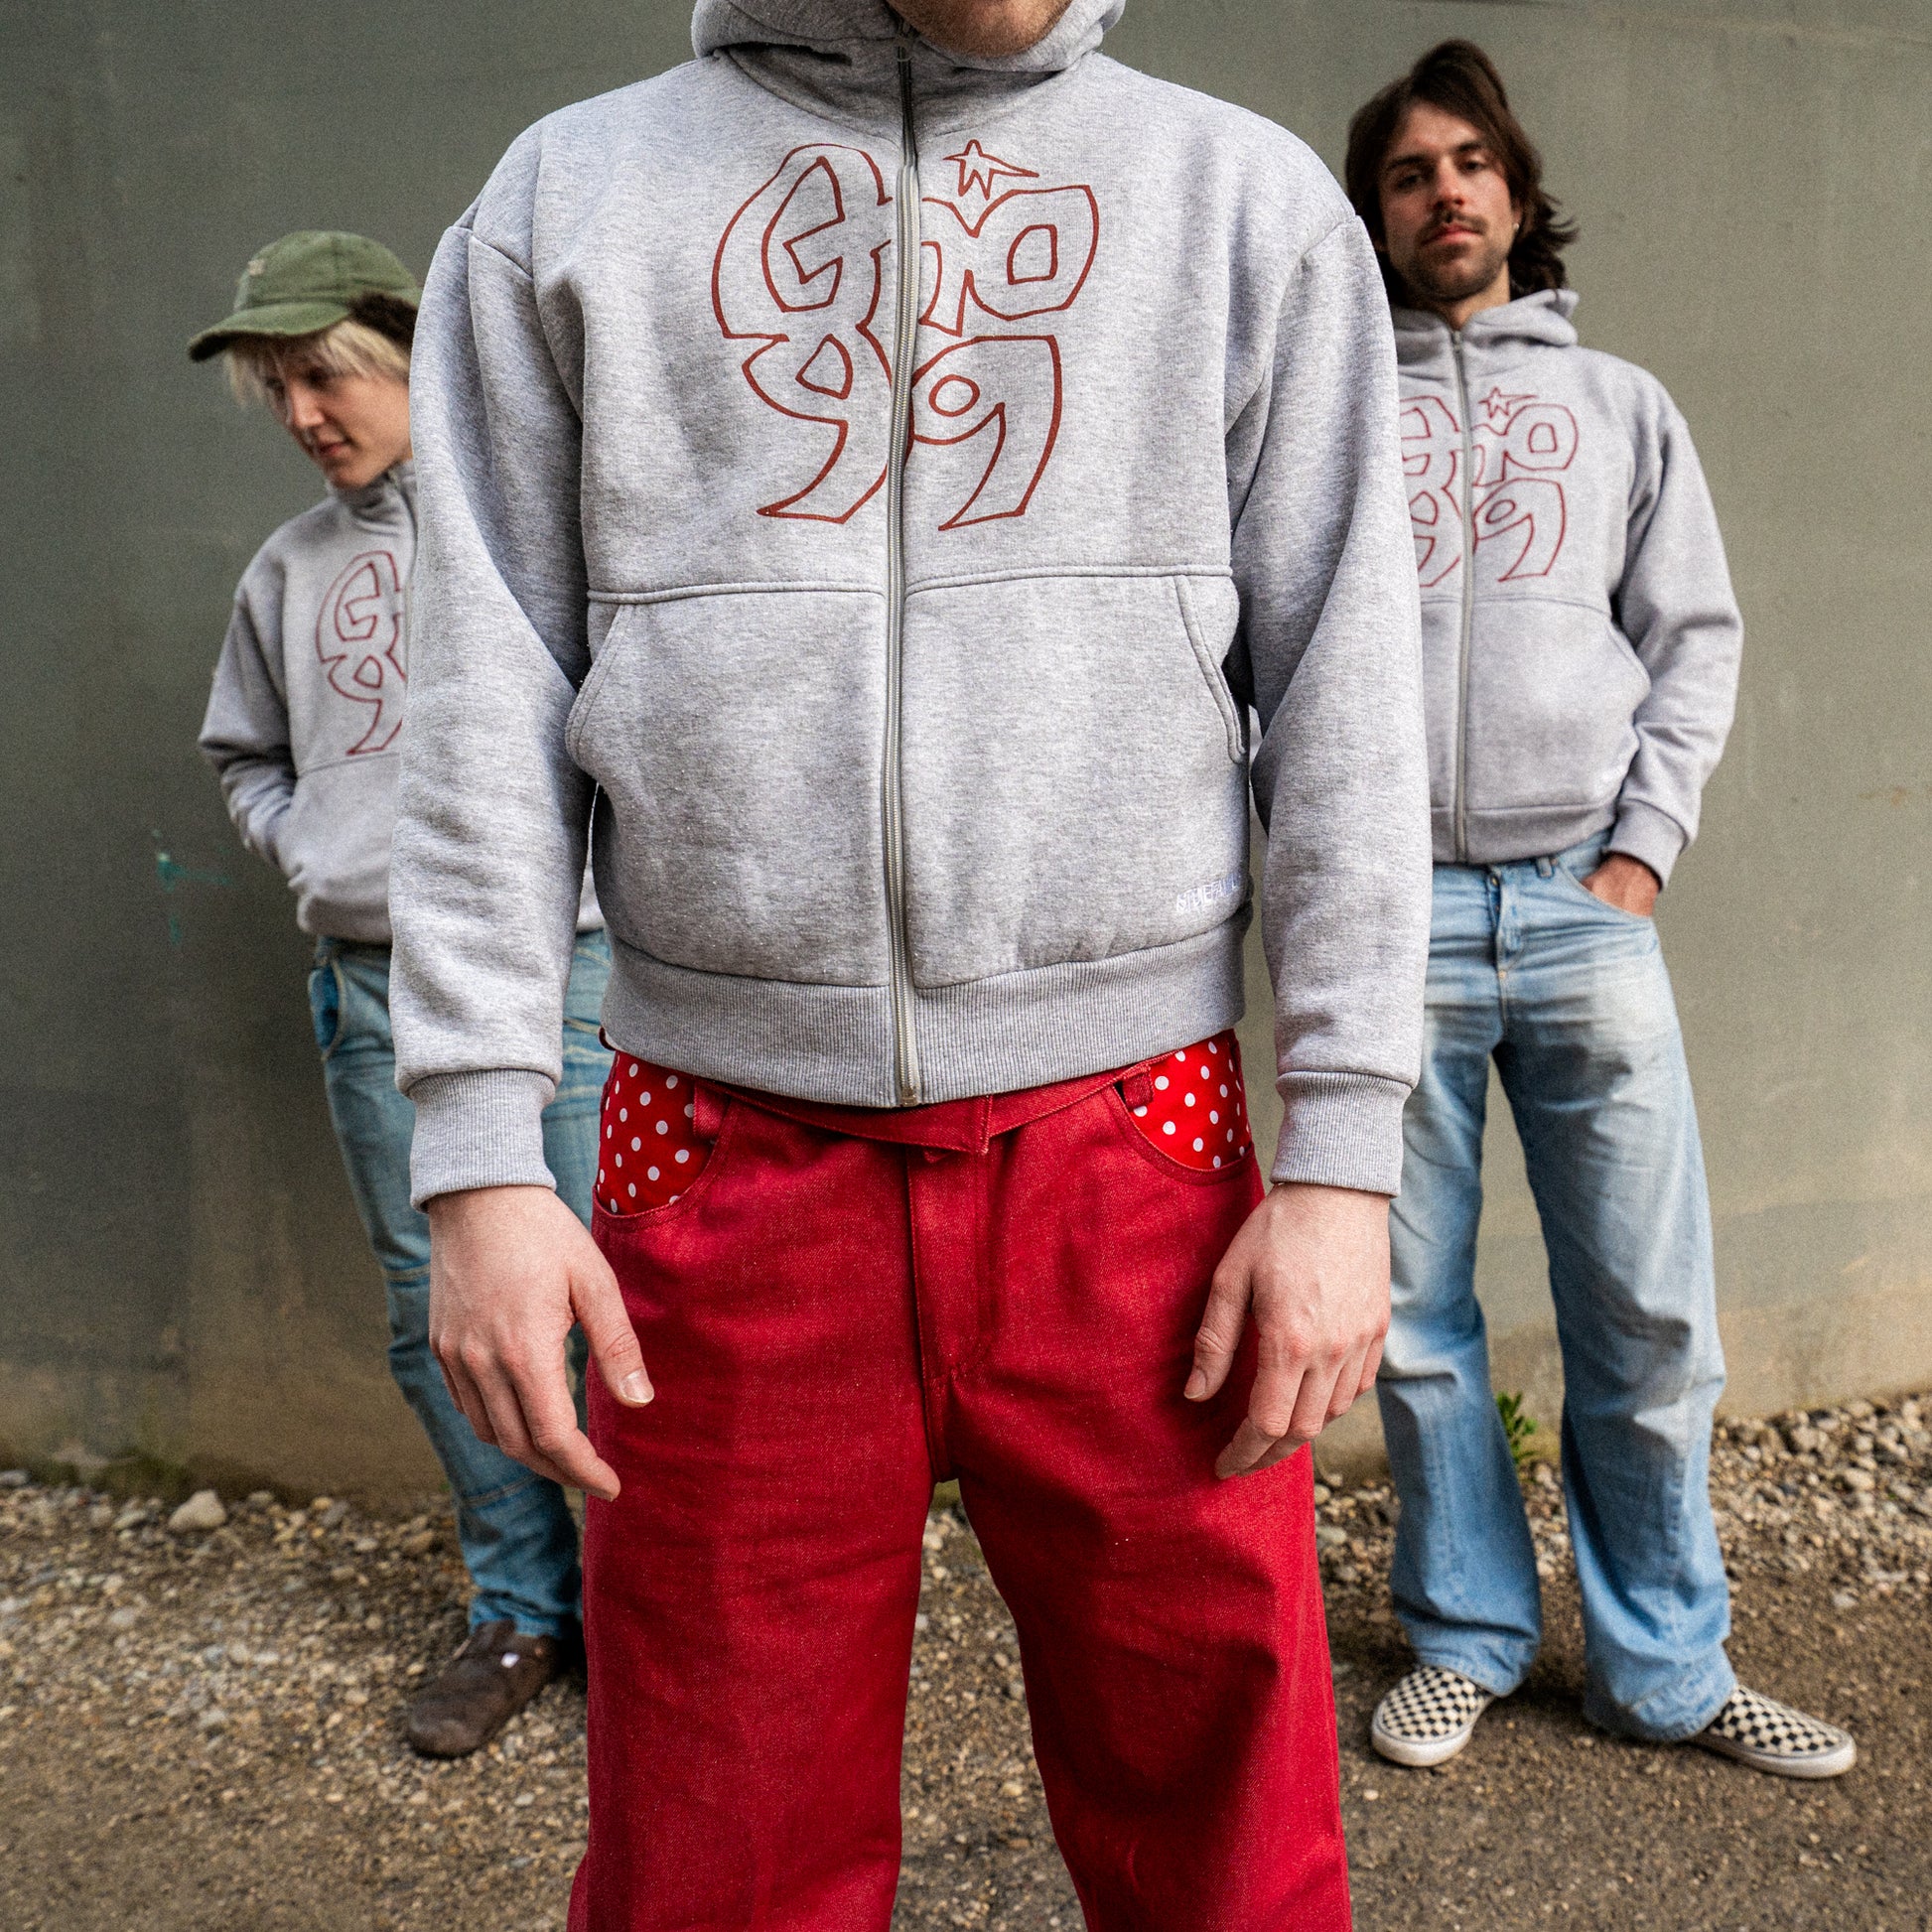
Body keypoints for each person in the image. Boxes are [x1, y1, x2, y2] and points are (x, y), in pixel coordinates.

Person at [391, 0, 1433, 1922]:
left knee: (1226, 1832)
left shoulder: (1239, 203)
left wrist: (1347, 1160)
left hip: (1139, 1141)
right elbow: (479, 701)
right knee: (714, 1851)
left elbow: (1347, 707)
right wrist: (473, 1151)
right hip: (718, 1143)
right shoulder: (568, 202)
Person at [1342, 41, 1854, 1780]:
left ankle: (1667, 1667)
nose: (1444, 193)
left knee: (1646, 1315)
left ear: (1515, 189)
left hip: (1580, 904)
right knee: (1411, 1318)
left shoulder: (1622, 405)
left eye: (1469, 163)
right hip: (1394, 918)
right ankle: (1464, 1636)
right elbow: (1265, 647)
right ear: (1377, 214)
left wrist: (1638, 852)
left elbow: (1691, 639)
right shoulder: (1330, 410)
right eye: (1408, 173)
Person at [191, 231, 613, 1758]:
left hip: (569, 980)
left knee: (609, 1303)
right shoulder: (287, 571)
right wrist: (314, 842)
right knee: (438, 1309)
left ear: (409, 350)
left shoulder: (543, 526)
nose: (305, 413)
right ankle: (521, 1608)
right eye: (279, 387)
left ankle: (646, 1607)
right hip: (373, 991)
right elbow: (245, 752)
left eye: (326, 372)